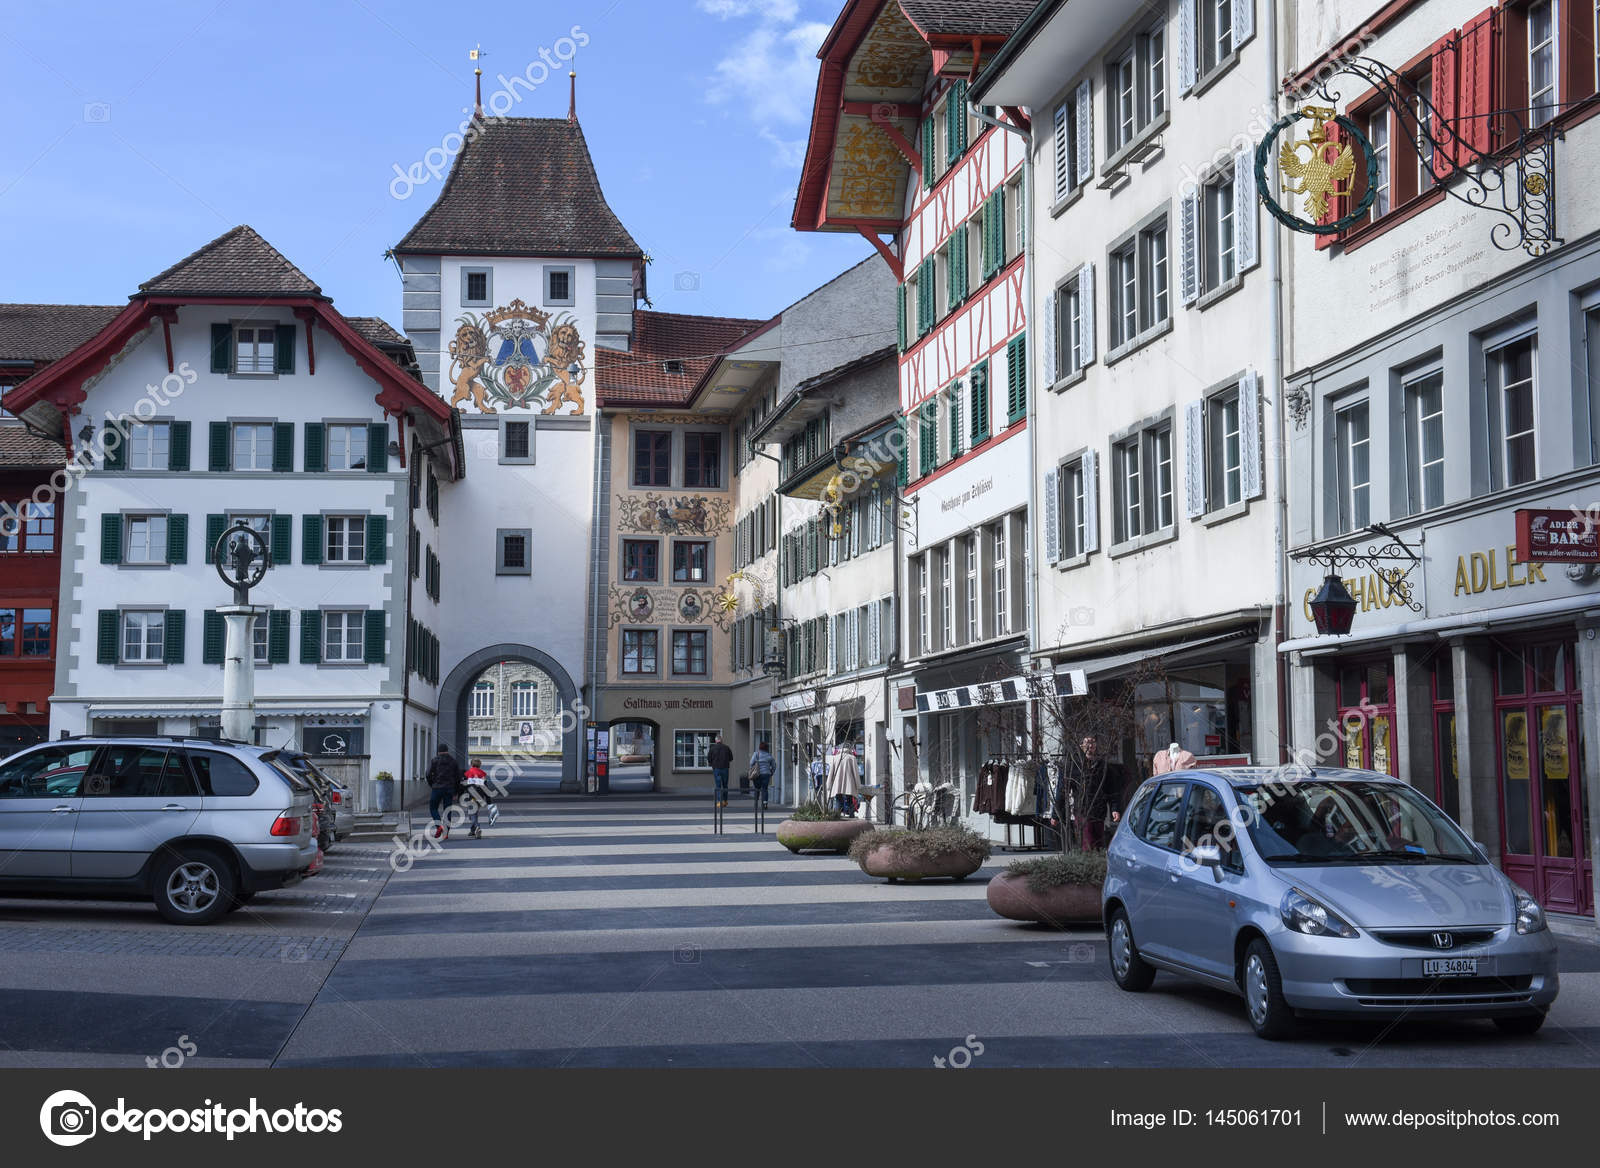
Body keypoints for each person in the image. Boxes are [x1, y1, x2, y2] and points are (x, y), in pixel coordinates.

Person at [1054, 735, 1125, 850]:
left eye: (1092, 742)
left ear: (1096, 745)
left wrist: (1115, 809)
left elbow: (1112, 790)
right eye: (1087, 742)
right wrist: (1056, 814)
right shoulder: (1074, 765)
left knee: (1099, 846)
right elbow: (1062, 791)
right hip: (1082, 812)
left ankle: (1096, 867)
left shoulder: (1103, 766)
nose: (1090, 745)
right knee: (1088, 845)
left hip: (1100, 813)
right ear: (1081, 745)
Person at [425, 743, 463, 834]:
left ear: (438, 751)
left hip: (437, 788)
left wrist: (432, 784)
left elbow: (428, 774)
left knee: (433, 808)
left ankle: (439, 826)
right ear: (447, 750)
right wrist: (456, 792)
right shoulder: (453, 761)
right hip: (449, 789)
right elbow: (458, 778)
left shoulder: (434, 761)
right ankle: (446, 832)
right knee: (447, 810)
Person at [827, 741, 860, 817]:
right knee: (850, 799)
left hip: (837, 783)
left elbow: (831, 772)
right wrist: (858, 785)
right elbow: (855, 773)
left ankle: (837, 816)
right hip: (849, 783)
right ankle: (851, 816)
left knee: (838, 800)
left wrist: (828, 784)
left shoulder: (835, 758)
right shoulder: (852, 758)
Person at [462, 758, 489, 839]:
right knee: (475, 812)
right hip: (480, 797)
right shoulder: (483, 774)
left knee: (471, 813)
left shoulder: (468, 772)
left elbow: (464, 784)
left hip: (471, 796)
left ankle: (477, 827)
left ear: (471, 764)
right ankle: (473, 830)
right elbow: (486, 787)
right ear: (480, 765)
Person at [706, 734, 734, 808]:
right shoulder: (727, 748)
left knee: (718, 786)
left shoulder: (712, 748)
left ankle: (719, 802)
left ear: (716, 740)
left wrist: (712, 764)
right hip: (725, 769)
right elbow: (731, 758)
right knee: (725, 785)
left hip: (716, 769)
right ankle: (725, 801)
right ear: (721, 740)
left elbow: (709, 759)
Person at [749, 740, 775, 807]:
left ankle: (756, 802)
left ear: (759, 747)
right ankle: (765, 803)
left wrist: (753, 769)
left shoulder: (756, 754)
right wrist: (772, 772)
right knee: (765, 789)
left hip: (757, 774)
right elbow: (774, 765)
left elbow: (751, 763)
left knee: (757, 788)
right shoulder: (769, 755)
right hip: (766, 774)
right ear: (767, 748)